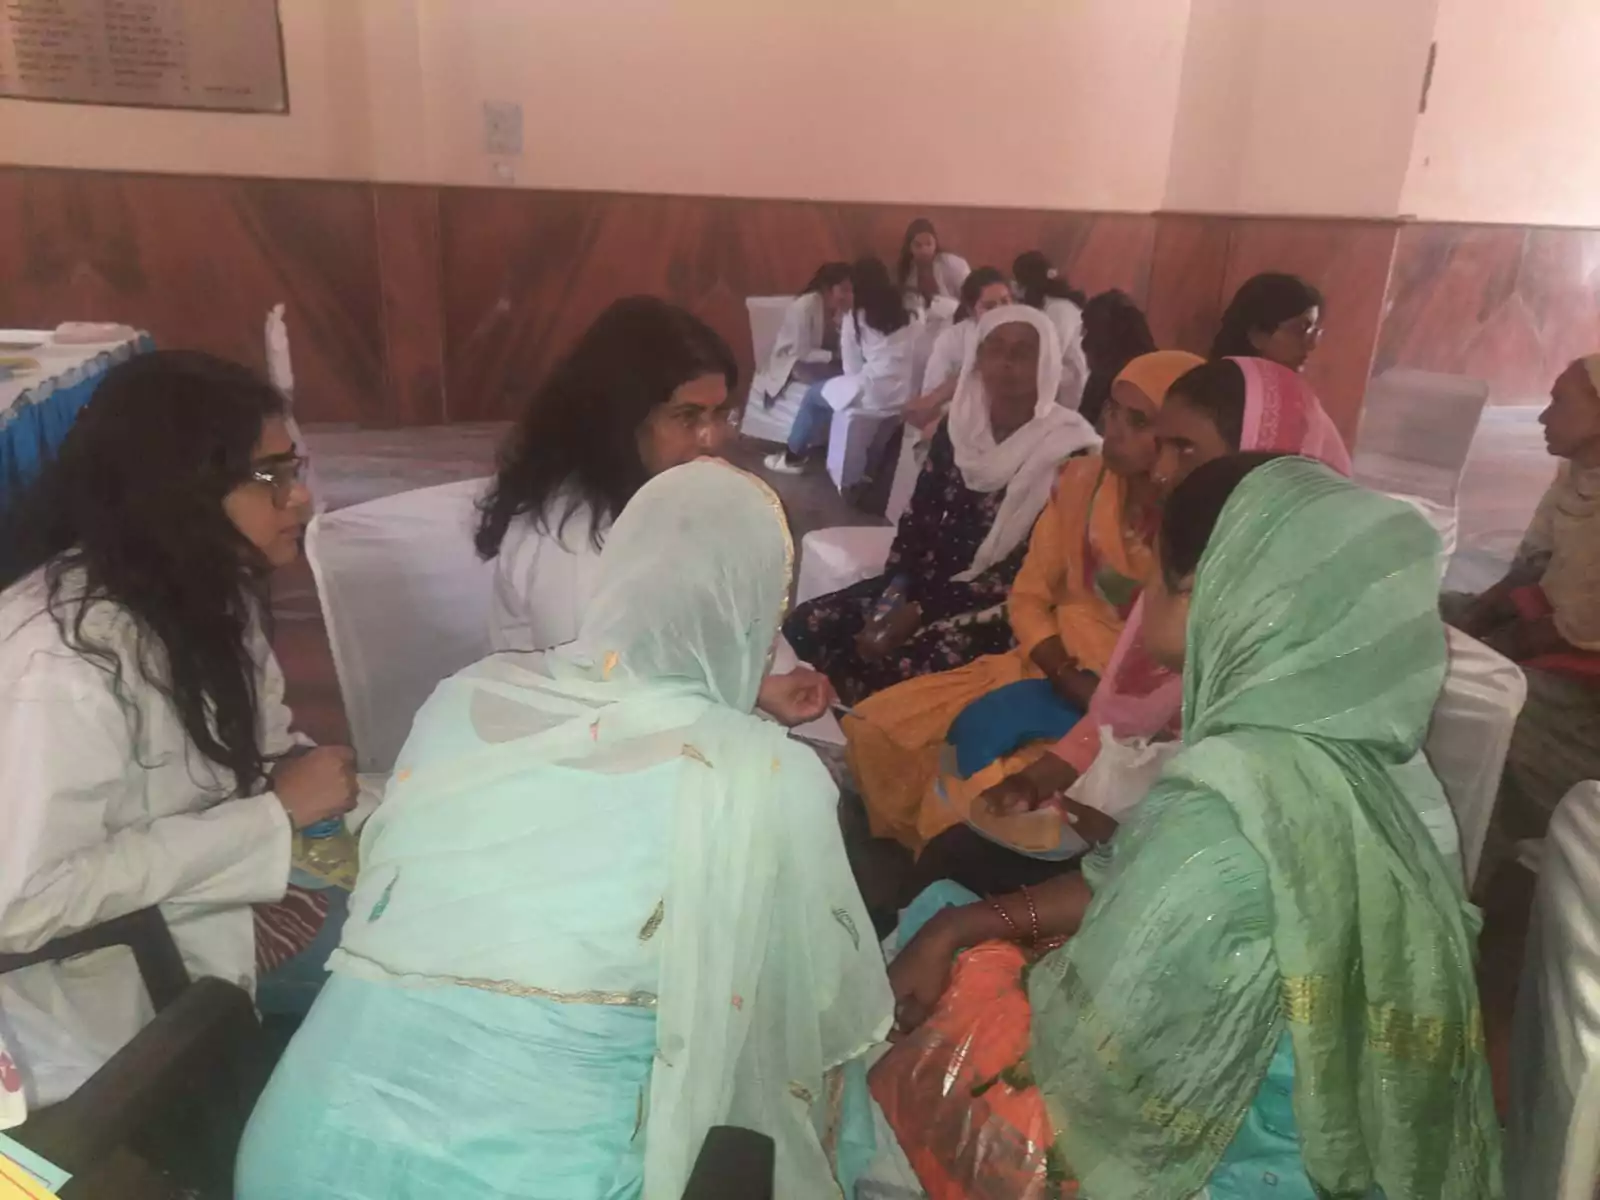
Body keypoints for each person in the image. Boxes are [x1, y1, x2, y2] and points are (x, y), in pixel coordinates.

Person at [235, 460, 893, 1200]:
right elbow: (816, 1012)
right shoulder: (765, 775)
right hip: (530, 1180)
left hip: (302, 1156)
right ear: (759, 621)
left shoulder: (467, 695)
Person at [871, 455, 1501, 1200]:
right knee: (954, 919)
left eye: (1151, 581)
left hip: (1230, 1168)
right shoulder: (1397, 775)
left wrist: (963, 940)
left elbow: (1098, 1072)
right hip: (1355, 1151)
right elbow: (1130, 885)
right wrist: (968, 925)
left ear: (1202, 591)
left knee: (915, 1013)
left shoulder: (1224, 808)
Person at [0, 351, 359, 1107]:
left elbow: (256, 747)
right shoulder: (63, 665)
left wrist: (299, 795)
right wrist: (271, 818)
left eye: (293, 468)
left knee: (441, 886)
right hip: (108, 983)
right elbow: (25, 904)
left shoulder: (205, 588)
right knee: (420, 965)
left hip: (205, 904)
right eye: (269, 476)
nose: (299, 498)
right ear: (180, 490)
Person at [965, 357, 1352, 850]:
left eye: (1184, 449)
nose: (1163, 471)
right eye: (1162, 446)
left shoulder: (1298, 607)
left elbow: (1248, 826)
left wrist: (1118, 845)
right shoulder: (1198, 540)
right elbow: (1128, 708)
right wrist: (1039, 780)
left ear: (1260, 456)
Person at [842, 352, 1202, 855]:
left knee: (983, 791)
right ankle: (910, 864)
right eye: (1113, 411)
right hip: (1046, 665)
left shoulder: (1199, 524)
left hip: (1133, 708)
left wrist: (1104, 700)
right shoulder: (1080, 482)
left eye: (1138, 421)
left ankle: (955, 878)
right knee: (875, 727)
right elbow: (1029, 596)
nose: (1114, 429)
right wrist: (1063, 673)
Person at [479, 296, 831, 725]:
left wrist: (763, 681)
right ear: (622, 419)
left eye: (720, 414)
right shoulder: (570, 539)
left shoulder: (667, 493)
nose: (711, 438)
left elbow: (716, 615)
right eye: (687, 417)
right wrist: (747, 689)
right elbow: (610, 692)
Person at [784, 307, 1098, 706]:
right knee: (807, 625)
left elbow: (1024, 569)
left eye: (1023, 352)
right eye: (996, 349)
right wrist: (896, 588)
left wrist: (919, 612)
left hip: (998, 603)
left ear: (1047, 362)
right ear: (978, 359)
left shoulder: (1070, 450)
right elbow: (920, 513)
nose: (1007, 363)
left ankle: (856, 738)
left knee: (888, 672)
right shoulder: (960, 425)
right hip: (927, 581)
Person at [1449, 355, 1600, 862]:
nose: (1542, 416)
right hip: (1554, 632)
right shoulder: (1576, 475)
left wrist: (1488, 649)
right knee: (1434, 611)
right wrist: (1475, 617)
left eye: (1559, 403)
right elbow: (1534, 562)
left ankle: (1485, 857)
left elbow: (1579, 626)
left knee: (1485, 704)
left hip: (1589, 687)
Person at [764, 257, 918, 474]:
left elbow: (851, 370)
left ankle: (792, 458)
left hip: (872, 393)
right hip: (903, 392)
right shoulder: (909, 314)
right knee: (830, 388)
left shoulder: (855, 317)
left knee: (813, 396)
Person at [903, 266, 1011, 436]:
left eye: (1005, 301)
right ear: (971, 311)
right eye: (989, 306)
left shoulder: (1031, 333)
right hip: (960, 422)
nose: (1000, 311)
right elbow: (931, 399)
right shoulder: (951, 339)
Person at [748, 261, 852, 409]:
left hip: (821, 361)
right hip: (794, 361)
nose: (848, 296)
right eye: (844, 290)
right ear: (827, 289)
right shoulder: (804, 306)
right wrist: (833, 356)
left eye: (851, 290)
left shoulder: (840, 310)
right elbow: (801, 353)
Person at [1013, 250, 1091, 410]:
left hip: (1069, 387)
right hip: (1055, 381)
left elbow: (1051, 354)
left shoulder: (1059, 309)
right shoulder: (1046, 307)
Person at [1211, 272, 1324, 371]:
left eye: (1313, 330)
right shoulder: (1216, 386)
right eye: (1301, 329)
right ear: (1257, 334)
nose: (1311, 345)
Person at [1078, 289, 1157, 428]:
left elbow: (1084, 429)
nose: (1083, 343)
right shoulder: (1155, 366)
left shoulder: (1107, 377)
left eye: (1088, 332)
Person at [897, 217, 971, 311]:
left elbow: (972, 296)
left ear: (935, 244)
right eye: (918, 245)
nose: (924, 250)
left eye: (928, 244)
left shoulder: (952, 264)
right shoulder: (907, 272)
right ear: (909, 248)